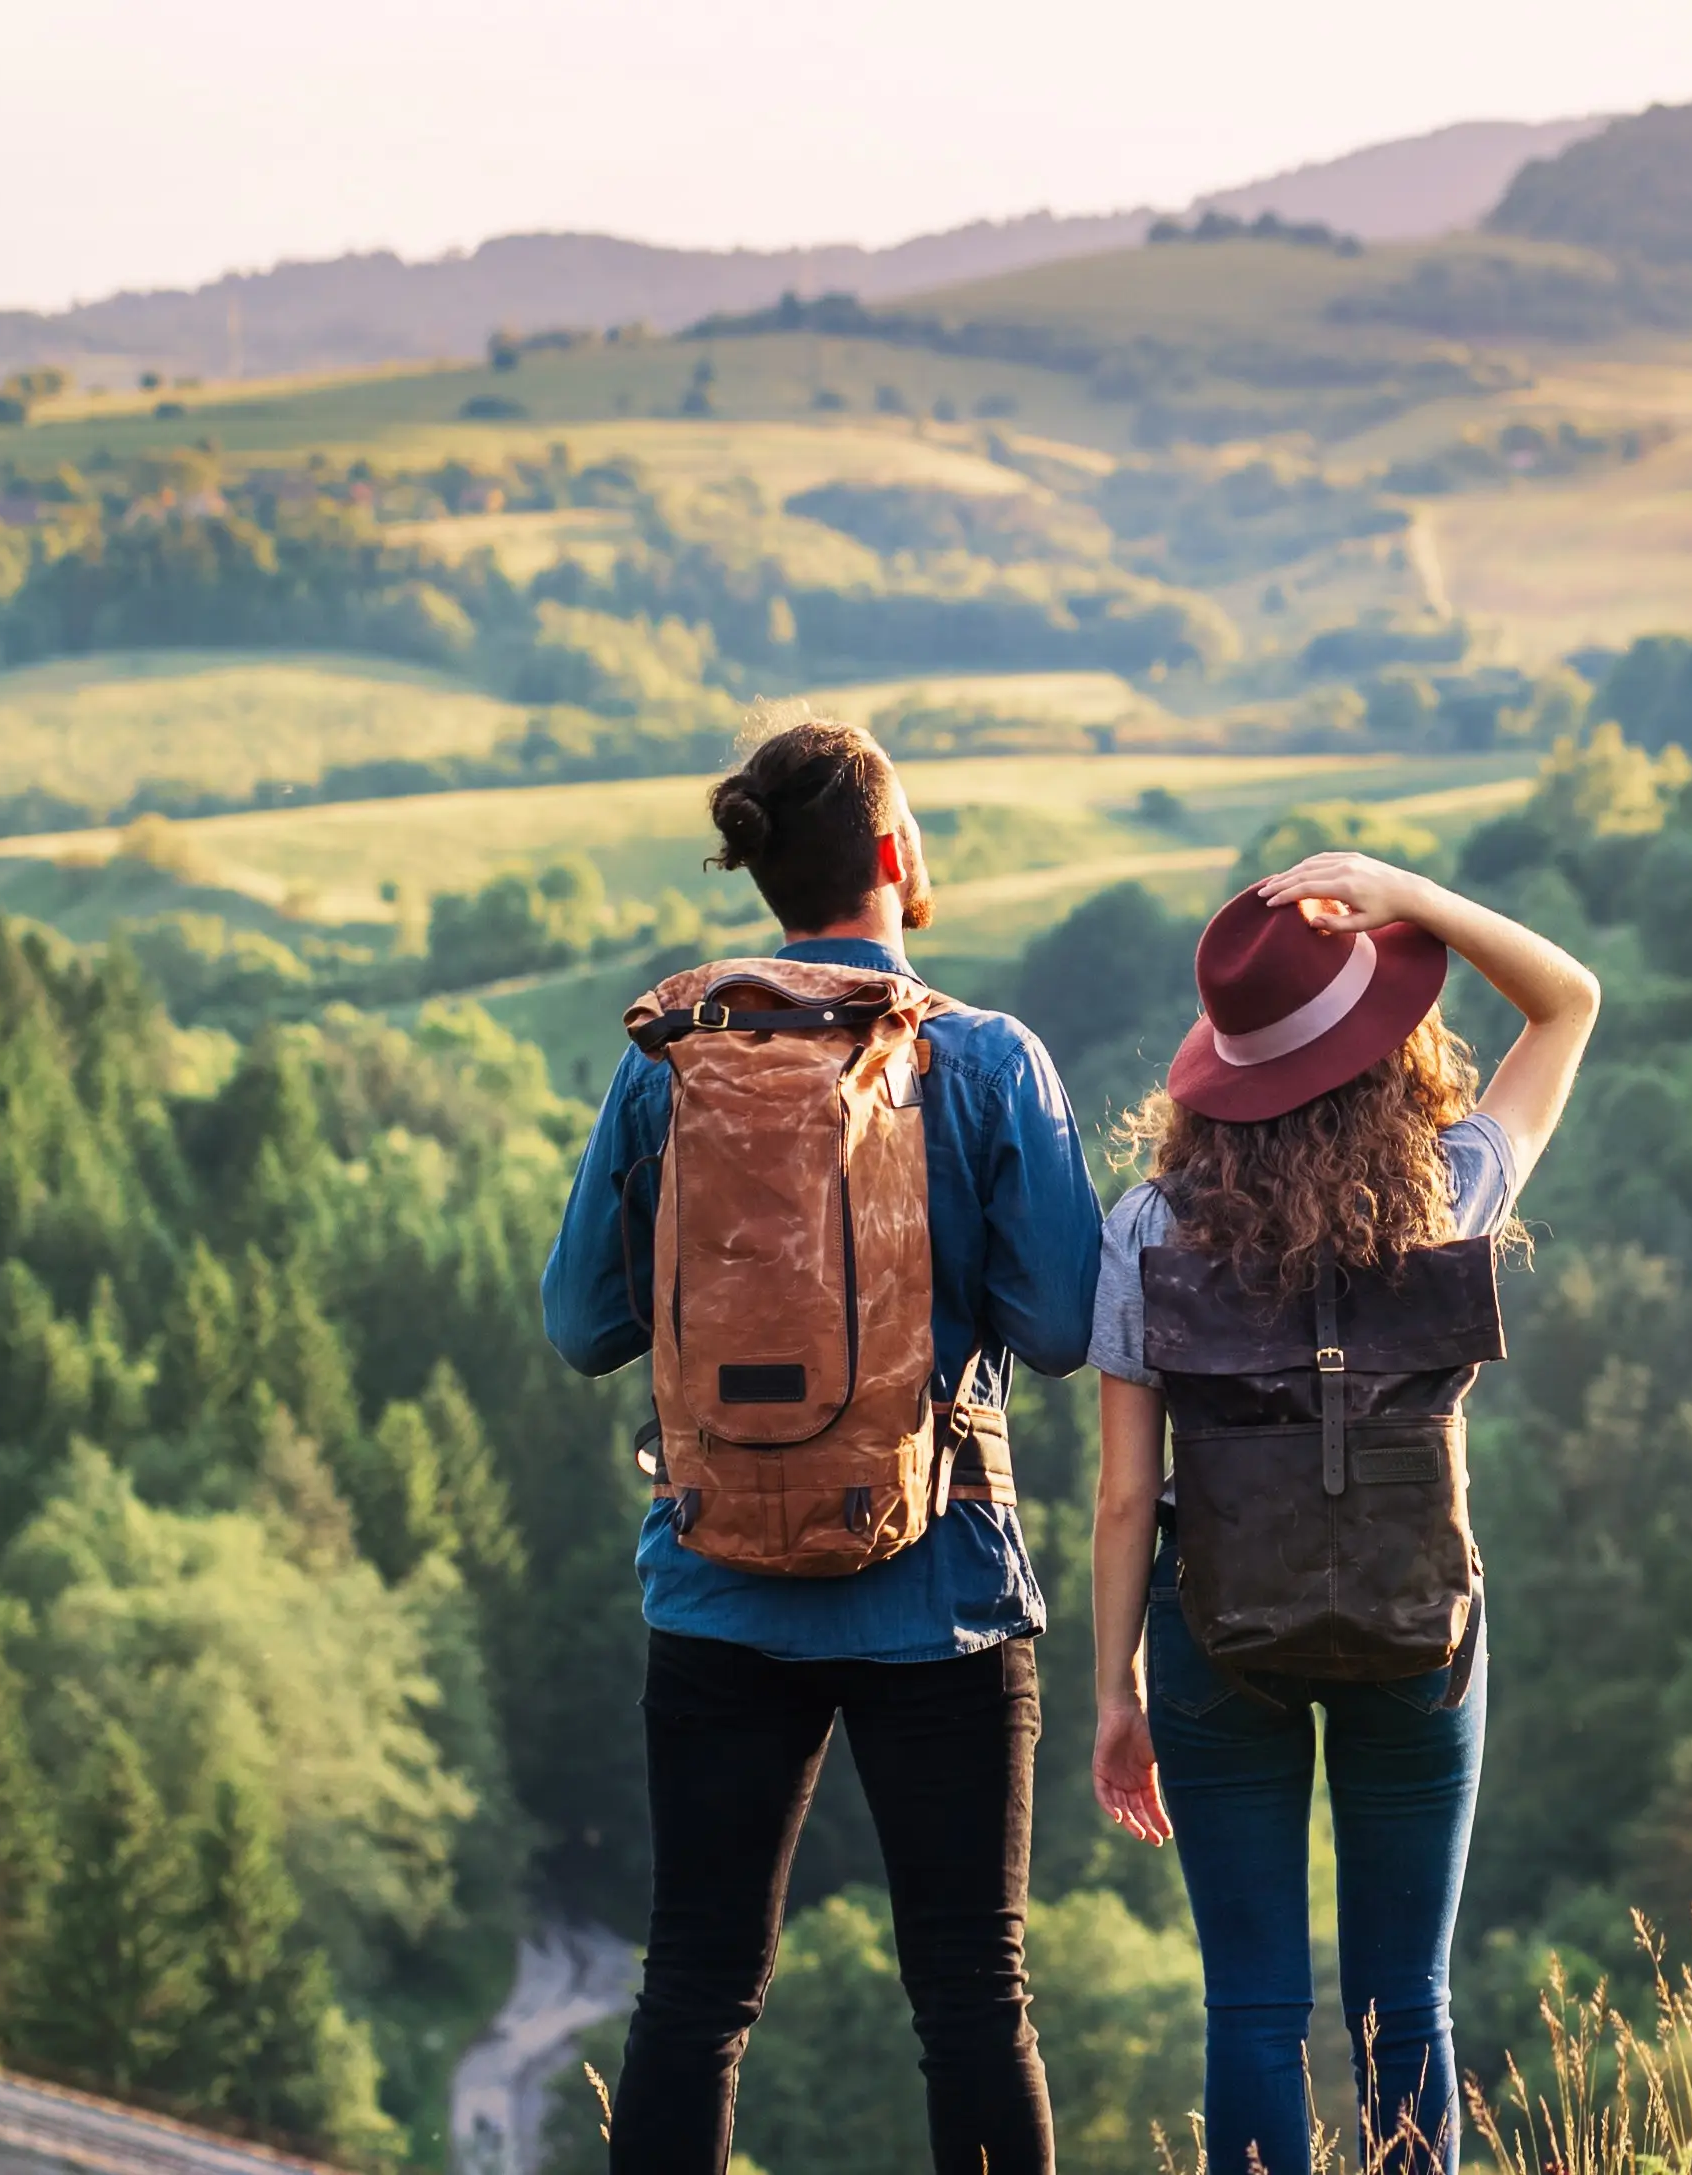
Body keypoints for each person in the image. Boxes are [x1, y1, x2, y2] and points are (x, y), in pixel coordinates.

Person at [540, 719, 1101, 2175]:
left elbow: (580, 1322)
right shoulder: (984, 1060)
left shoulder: (671, 1066)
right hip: (946, 1590)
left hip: (716, 1585)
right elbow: (1058, 1323)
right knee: (976, 2003)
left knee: (696, 1994)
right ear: (899, 864)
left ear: (766, 879)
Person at [1085, 852, 1601, 2175]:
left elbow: (1129, 1493)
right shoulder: (1449, 1192)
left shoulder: (1149, 1226)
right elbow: (1569, 1001)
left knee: (1253, 2001)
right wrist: (1412, 896)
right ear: (1387, 1048)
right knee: (1404, 1998)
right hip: (1418, 1624)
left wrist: (1116, 1690)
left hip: (1218, 1629)